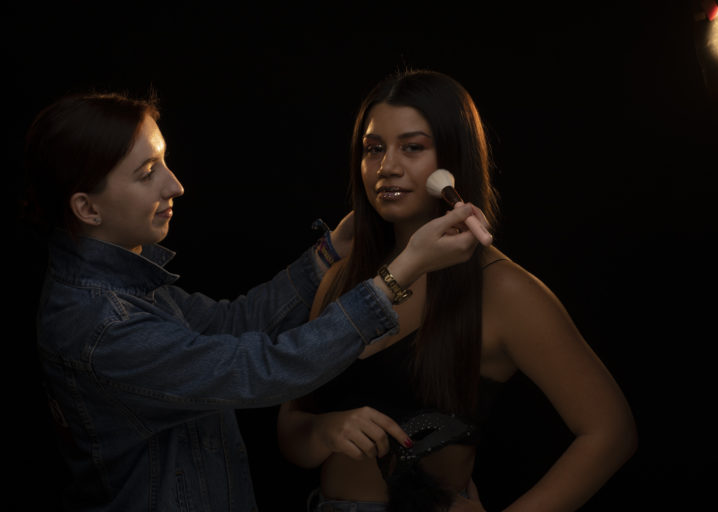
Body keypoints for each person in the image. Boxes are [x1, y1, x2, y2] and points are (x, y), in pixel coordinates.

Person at [21, 90, 484, 512]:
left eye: (164, 161)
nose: (175, 186)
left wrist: (330, 252)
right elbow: (258, 368)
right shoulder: (101, 327)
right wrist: (399, 275)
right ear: (87, 209)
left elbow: (235, 322)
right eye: (146, 174)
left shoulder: (130, 287)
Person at [277, 69, 638, 512]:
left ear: (453, 158)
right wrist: (325, 431)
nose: (387, 166)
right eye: (373, 149)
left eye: (412, 147)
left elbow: (610, 431)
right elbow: (290, 424)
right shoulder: (344, 278)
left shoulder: (501, 289)